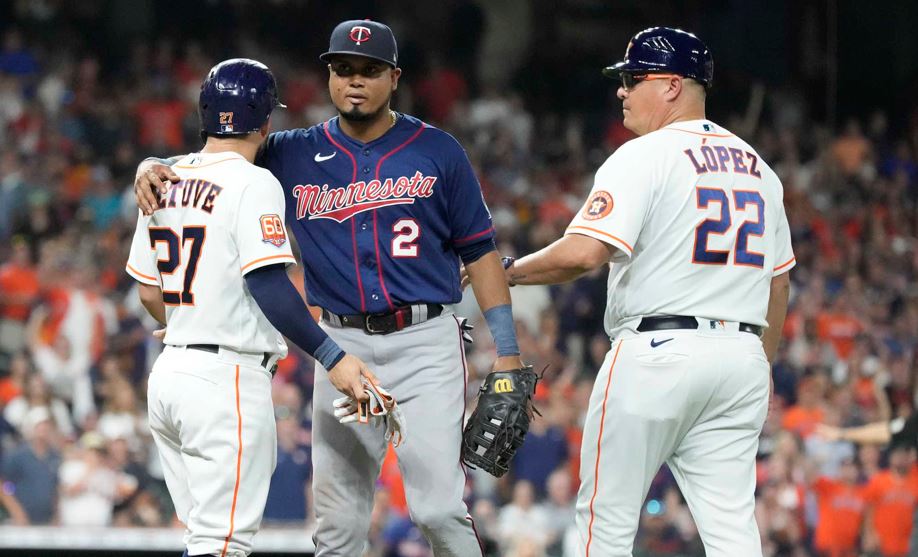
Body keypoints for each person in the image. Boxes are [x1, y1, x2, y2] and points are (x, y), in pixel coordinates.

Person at [134, 20, 523, 556]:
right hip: (340, 344)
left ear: (394, 78)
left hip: (425, 343)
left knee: (436, 508)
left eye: (369, 70)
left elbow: (480, 251)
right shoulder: (291, 151)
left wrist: (506, 350)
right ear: (329, 77)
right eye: (343, 70)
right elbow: (217, 161)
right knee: (337, 526)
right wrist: (153, 165)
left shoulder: (438, 150)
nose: (354, 81)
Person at [497, 27, 794, 556]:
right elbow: (779, 281)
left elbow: (585, 252)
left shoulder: (645, 154)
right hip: (742, 358)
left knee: (604, 520)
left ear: (673, 86)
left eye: (634, 79)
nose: (621, 90)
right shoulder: (760, 169)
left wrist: (509, 271)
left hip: (658, 353)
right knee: (732, 529)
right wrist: (757, 365)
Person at [126, 58, 378, 557]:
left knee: (205, 539)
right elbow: (267, 282)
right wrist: (334, 357)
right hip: (225, 382)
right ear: (266, 122)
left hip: (171, 376)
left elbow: (150, 292)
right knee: (223, 545)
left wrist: (190, 322)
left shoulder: (161, 178)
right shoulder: (254, 181)